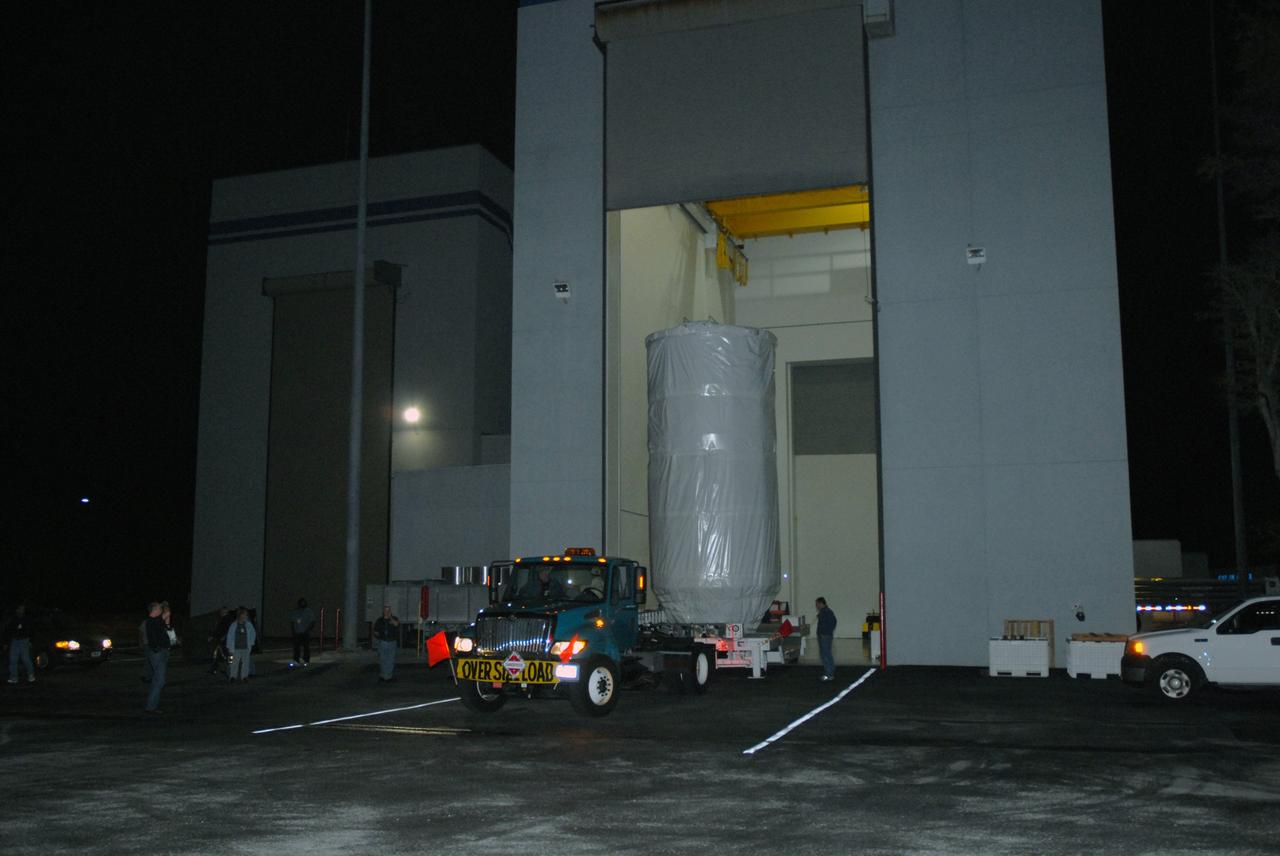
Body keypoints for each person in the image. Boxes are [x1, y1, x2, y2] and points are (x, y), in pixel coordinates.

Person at [143, 602, 171, 712]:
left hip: (161, 651)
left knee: (157, 679)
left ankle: (151, 705)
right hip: (157, 652)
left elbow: (167, 623)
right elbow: (167, 612)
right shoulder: (152, 621)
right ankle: (150, 707)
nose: (161, 610)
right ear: (154, 609)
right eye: (159, 608)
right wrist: (165, 604)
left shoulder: (157, 621)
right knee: (160, 680)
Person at [4, 604, 36, 684]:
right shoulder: (13, 619)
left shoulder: (27, 619)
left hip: (24, 640)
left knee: (25, 659)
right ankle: (14, 677)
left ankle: (31, 675)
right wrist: (6, 643)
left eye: (23, 609)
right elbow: (8, 631)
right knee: (13, 660)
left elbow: (31, 630)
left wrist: (31, 641)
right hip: (14, 641)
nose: (21, 611)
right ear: (17, 610)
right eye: (20, 609)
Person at [226, 608, 257, 683]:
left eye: (246, 616)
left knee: (245, 663)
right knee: (234, 663)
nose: (245, 617)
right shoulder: (234, 625)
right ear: (240, 616)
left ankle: (244, 677)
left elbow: (253, 633)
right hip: (236, 647)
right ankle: (233, 676)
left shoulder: (248, 625)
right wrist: (229, 647)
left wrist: (251, 643)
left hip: (246, 647)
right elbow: (230, 636)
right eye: (244, 616)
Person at [372, 605, 400, 682]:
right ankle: (383, 675)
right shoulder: (380, 620)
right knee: (382, 659)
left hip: (392, 642)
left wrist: (390, 618)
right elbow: (375, 631)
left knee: (390, 659)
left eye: (388, 611)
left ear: (390, 612)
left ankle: (388, 676)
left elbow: (397, 624)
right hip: (383, 642)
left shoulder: (394, 619)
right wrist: (378, 634)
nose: (387, 612)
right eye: (385, 610)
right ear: (383, 611)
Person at [288, 598, 315, 667]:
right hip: (297, 632)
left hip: (305, 632)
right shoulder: (295, 612)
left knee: (306, 647)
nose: (302, 604)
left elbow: (312, 622)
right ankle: (296, 660)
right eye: (301, 603)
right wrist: (293, 631)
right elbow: (292, 622)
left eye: (304, 603)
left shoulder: (309, 611)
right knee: (296, 647)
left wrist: (308, 629)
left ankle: (306, 660)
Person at [815, 597, 837, 681]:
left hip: (825, 636)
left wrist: (826, 632)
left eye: (817, 604)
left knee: (826, 654)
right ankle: (829, 672)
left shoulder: (827, 612)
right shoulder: (823, 612)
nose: (816, 606)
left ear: (821, 603)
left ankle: (829, 673)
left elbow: (833, 622)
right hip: (822, 635)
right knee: (824, 654)